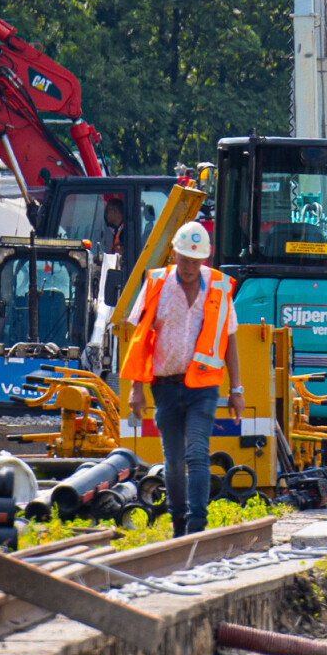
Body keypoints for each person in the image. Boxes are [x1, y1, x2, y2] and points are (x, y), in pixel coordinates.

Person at [118, 220, 234, 537]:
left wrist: (236, 389)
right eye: (184, 259)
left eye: (195, 261)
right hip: (164, 386)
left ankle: (197, 521)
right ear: (173, 255)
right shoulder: (156, 285)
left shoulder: (219, 288)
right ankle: (178, 519)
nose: (189, 267)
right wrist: (135, 389)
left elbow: (230, 339)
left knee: (197, 453)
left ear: (204, 260)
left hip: (203, 387)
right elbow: (140, 339)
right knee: (173, 459)